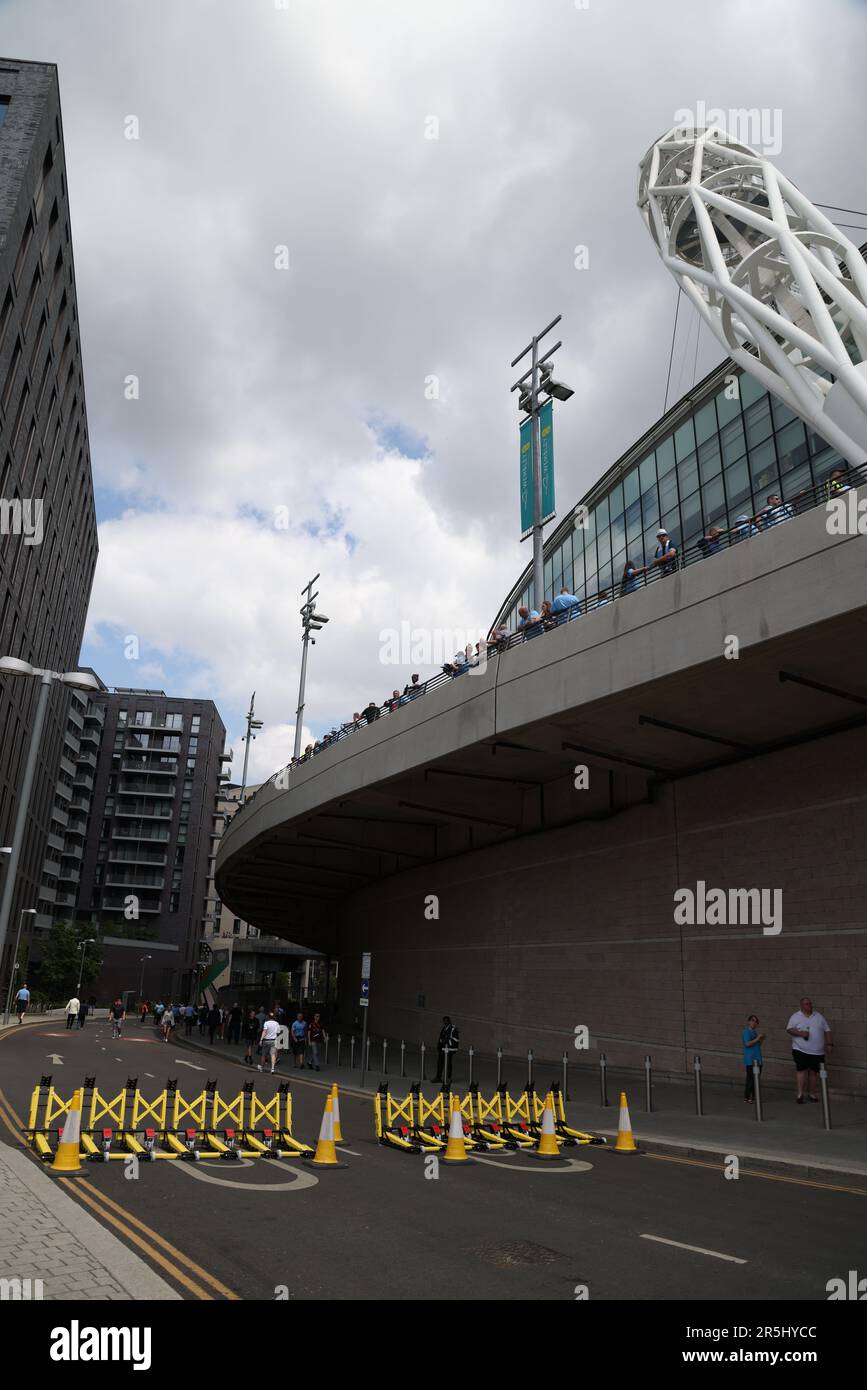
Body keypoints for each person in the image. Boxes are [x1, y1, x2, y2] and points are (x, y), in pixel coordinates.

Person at [786, 997, 832, 1104]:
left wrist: (830, 1044)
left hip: (817, 1052)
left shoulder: (819, 1016)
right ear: (801, 1006)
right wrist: (801, 1033)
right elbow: (789, 1029)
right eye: (807, 1004)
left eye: (810, 1003)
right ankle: (800, 1094)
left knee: (813, 1072)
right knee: (801, 1070)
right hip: (800, 1049)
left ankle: (812, 1093)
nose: (809, 1005)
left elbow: (827, 1030)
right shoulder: (795, 1016)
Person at [741, 1014, 765, 1103]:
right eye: (752, 1020)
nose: (754, 1023)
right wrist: (758, 1038)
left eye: (756, 1021)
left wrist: (761, 1039)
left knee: (756, 1079)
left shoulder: (755, 1033)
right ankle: (747, 1097)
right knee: (750, 1079)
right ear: (749, 1022)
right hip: (750, 1060)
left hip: (758, 1059)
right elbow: (747, 1044)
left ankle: (755, 1096)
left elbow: (758, 1045)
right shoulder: (746, 1032)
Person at [433, 1015, 459, 1085]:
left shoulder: (453, 1029)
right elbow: (440, 1038)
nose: (445, 1022)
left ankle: (448, 1078)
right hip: (442, 1049)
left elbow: (456, 1040)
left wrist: (446, 1042)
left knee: (448, 1064)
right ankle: (438, 1077)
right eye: (444, 1021)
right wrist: (439, 1047)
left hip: (449, 1050)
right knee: (440, 1063)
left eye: (446, 1021)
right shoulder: (444, 1028)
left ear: (449, 1021)